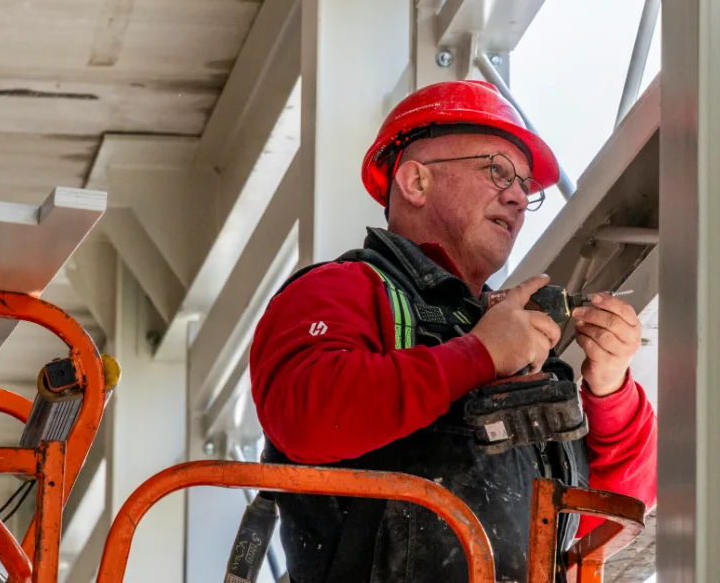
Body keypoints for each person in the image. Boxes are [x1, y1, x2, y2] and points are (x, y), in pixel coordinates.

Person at [246, 79, 659, 582]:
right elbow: (308, 417)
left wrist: (611, 389)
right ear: (415, 182)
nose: (517, 196)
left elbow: (602, 517)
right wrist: (480, 354)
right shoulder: (342, 290)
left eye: (524, 186)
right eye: (496, 170)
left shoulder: (518, 339)